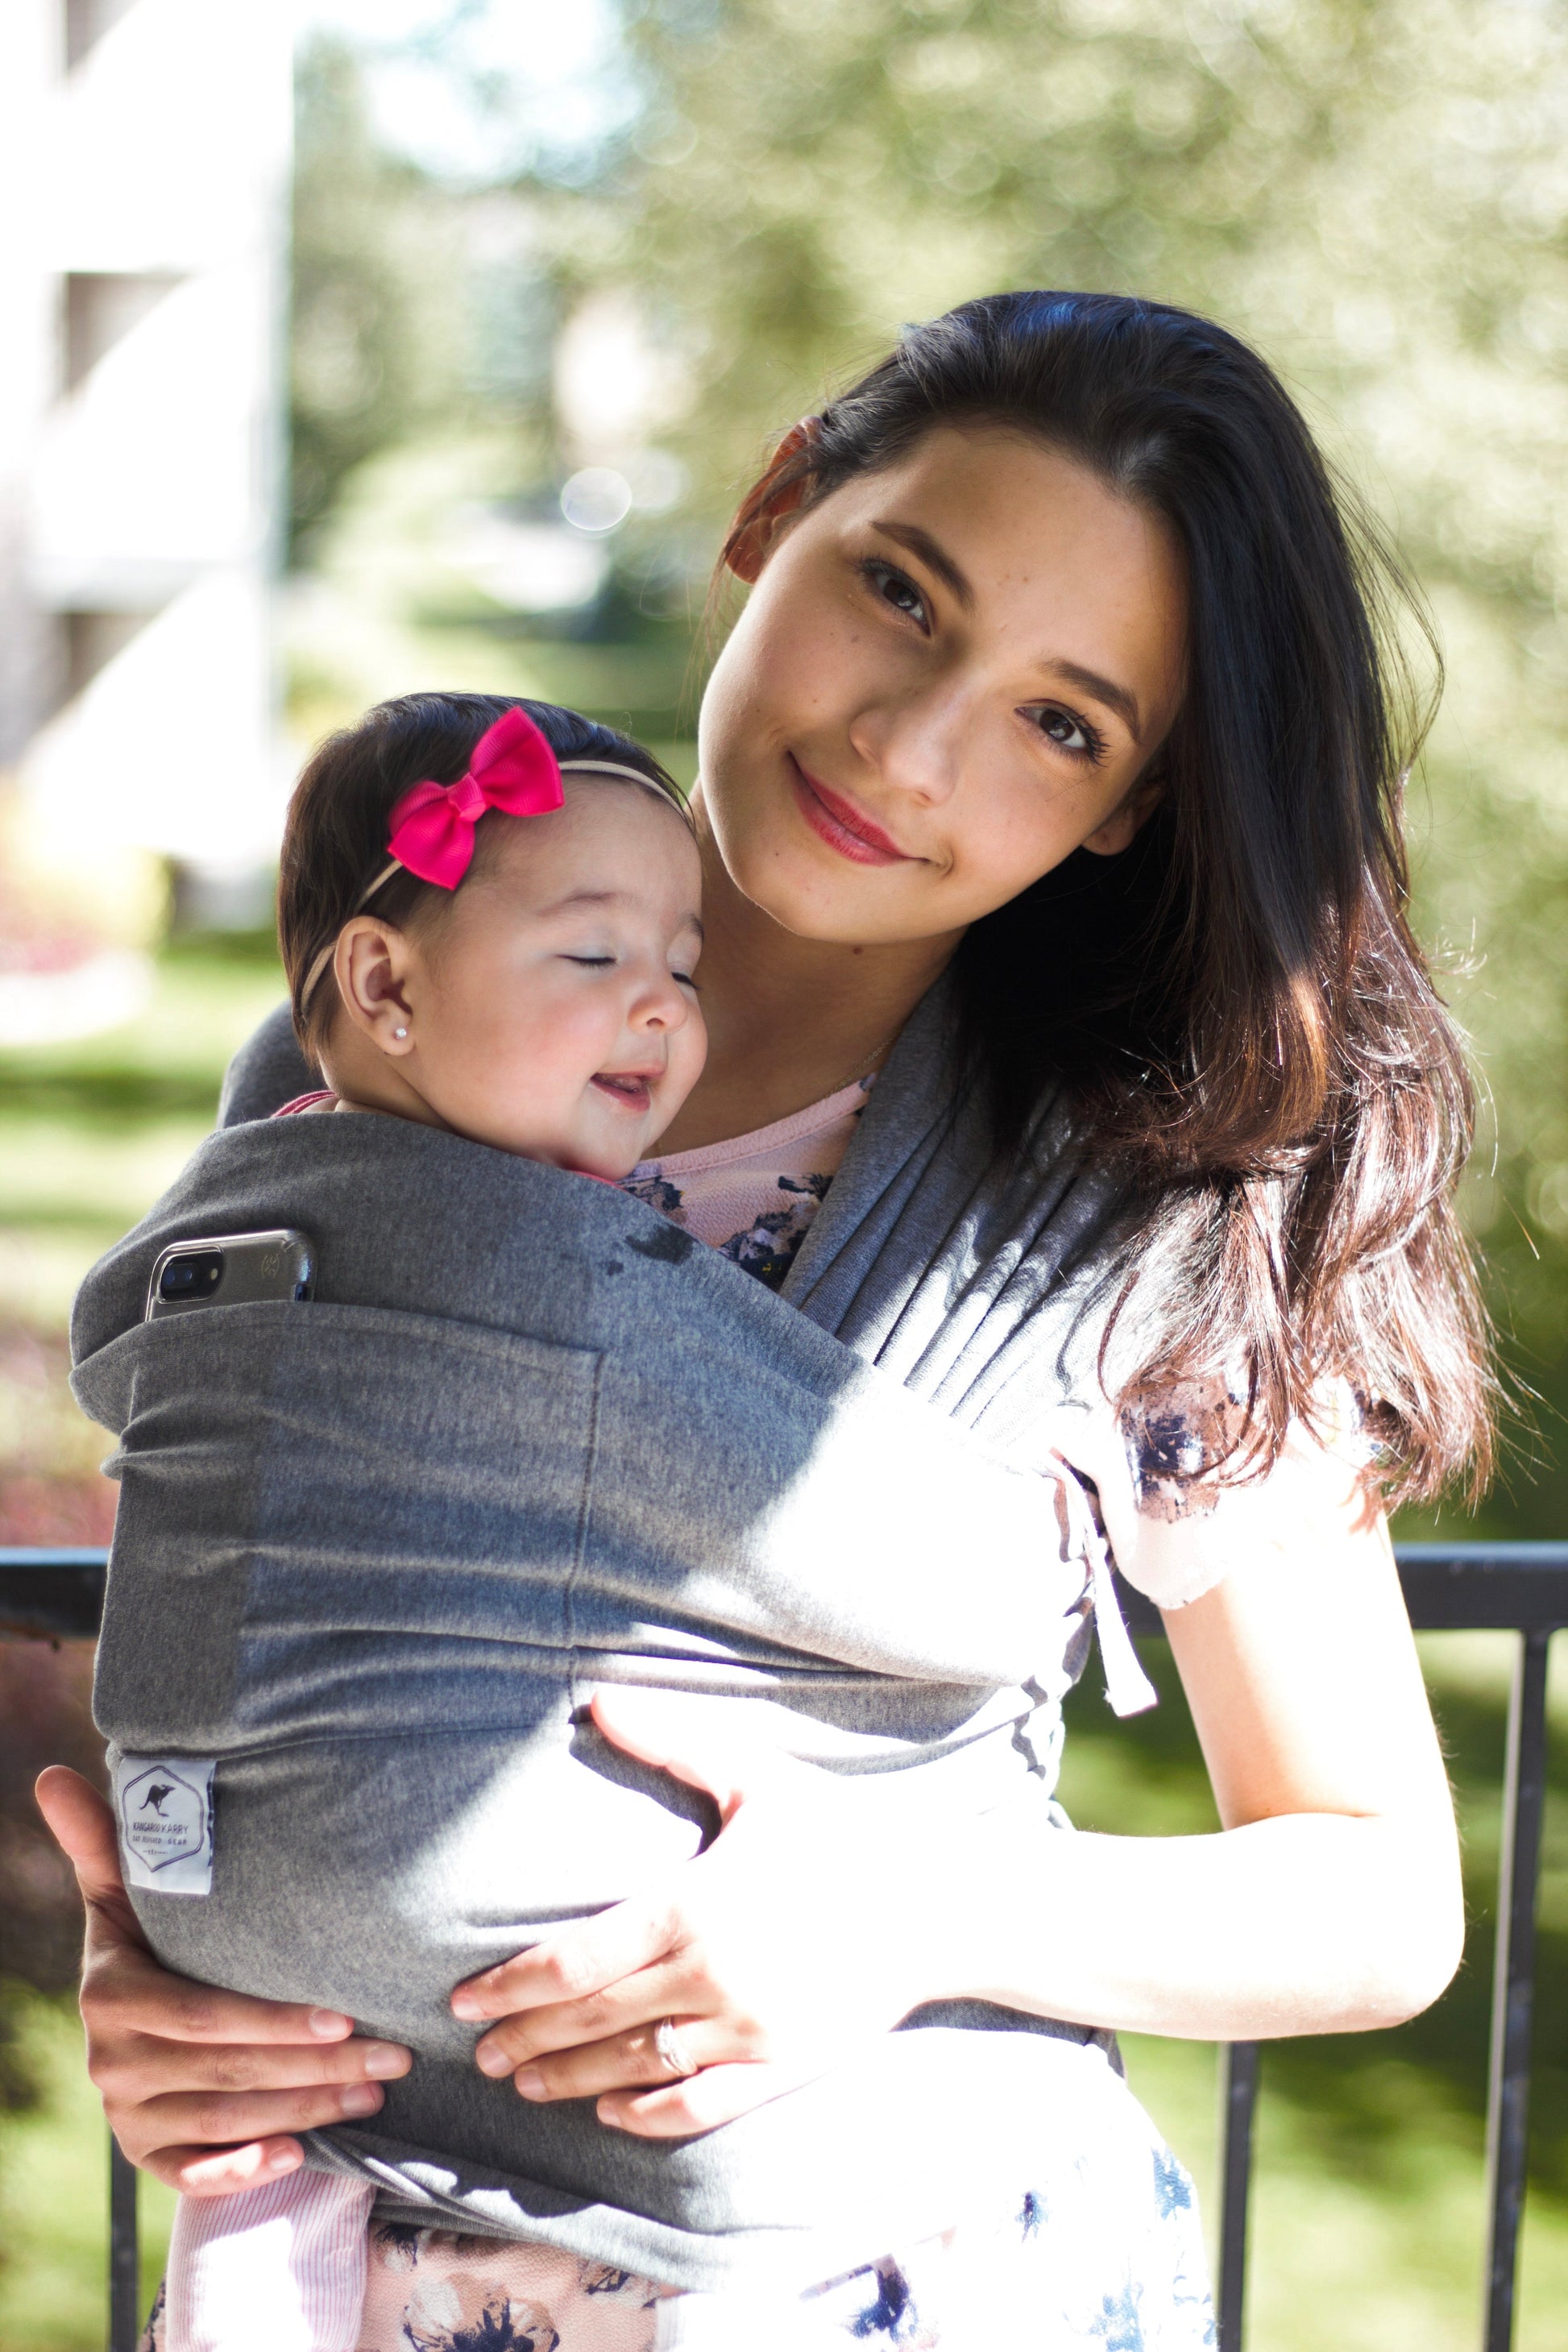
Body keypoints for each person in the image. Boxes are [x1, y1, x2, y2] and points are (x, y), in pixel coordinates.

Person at [38, 290, 1486, 2351]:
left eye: (1060, 722)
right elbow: (272, 1584)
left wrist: (926, 1897)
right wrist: (176, 1951)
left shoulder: (1148, 1192)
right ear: (769, 505)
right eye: (898, 591)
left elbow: (1373, 1892)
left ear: (1126, 809)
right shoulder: (361, 1051)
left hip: (882, 2281)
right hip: (355, 2272)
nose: (911, 747)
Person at [85, 694, 710, 2352]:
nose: (658, 1001)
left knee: (273, 2190)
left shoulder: (263, 1171)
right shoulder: (531, 1236)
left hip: (225, 1885)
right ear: (381, 983)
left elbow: (105, 1333)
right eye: (591, 957)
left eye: (685, 963)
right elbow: (817, 1503)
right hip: (504, 2001)